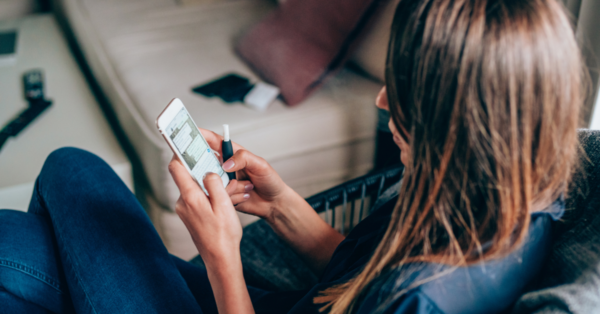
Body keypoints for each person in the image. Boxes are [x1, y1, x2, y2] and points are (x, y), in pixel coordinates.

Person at [0, 0, 584, 313]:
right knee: (56, 197)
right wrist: (279, 206)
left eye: (401, 95)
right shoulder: (506, 199)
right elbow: (357, 279)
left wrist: (222, 253)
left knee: (42, 212)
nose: (382, 101)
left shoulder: (422, 300)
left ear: (461, 127)